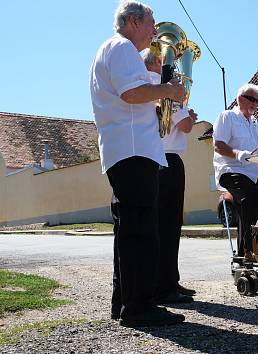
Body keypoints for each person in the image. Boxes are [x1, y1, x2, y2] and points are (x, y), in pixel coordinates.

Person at [90, 0, 186, 327]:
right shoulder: (121, 48)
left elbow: (134, 92)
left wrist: (159, 82)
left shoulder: (118, 50)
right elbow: (132, 94)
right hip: (132, 151)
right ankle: (140, 306)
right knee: (142, 230)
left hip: (128, 150)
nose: (155, 30)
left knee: (130, 229)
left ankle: (125, 302)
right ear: (133, 21)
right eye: (151, 22)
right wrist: (168, 90)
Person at [143, 51, 198, 303]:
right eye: (169, 61)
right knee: (168, 225)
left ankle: (169, 280)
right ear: (157, 62)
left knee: (165, 224)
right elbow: (185, 126)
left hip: (160, 157)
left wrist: (186, 116)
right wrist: (187, 115)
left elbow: (181, 123)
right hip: (167, 158)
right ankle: (165, 285)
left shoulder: (154, 88)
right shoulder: (163, 88)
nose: (175, 67)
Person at [213, 84, 258, 260]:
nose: (255, 104)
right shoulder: (227, 116)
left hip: (253, 174)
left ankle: (247, 251)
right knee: (250, 197)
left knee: (256, 204)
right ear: (239, 98)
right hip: (231, 170)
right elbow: (218, 145)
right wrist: (239, 154)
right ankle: (248, 250)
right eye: (251, 99)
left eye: (257, 100)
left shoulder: (256, 125)